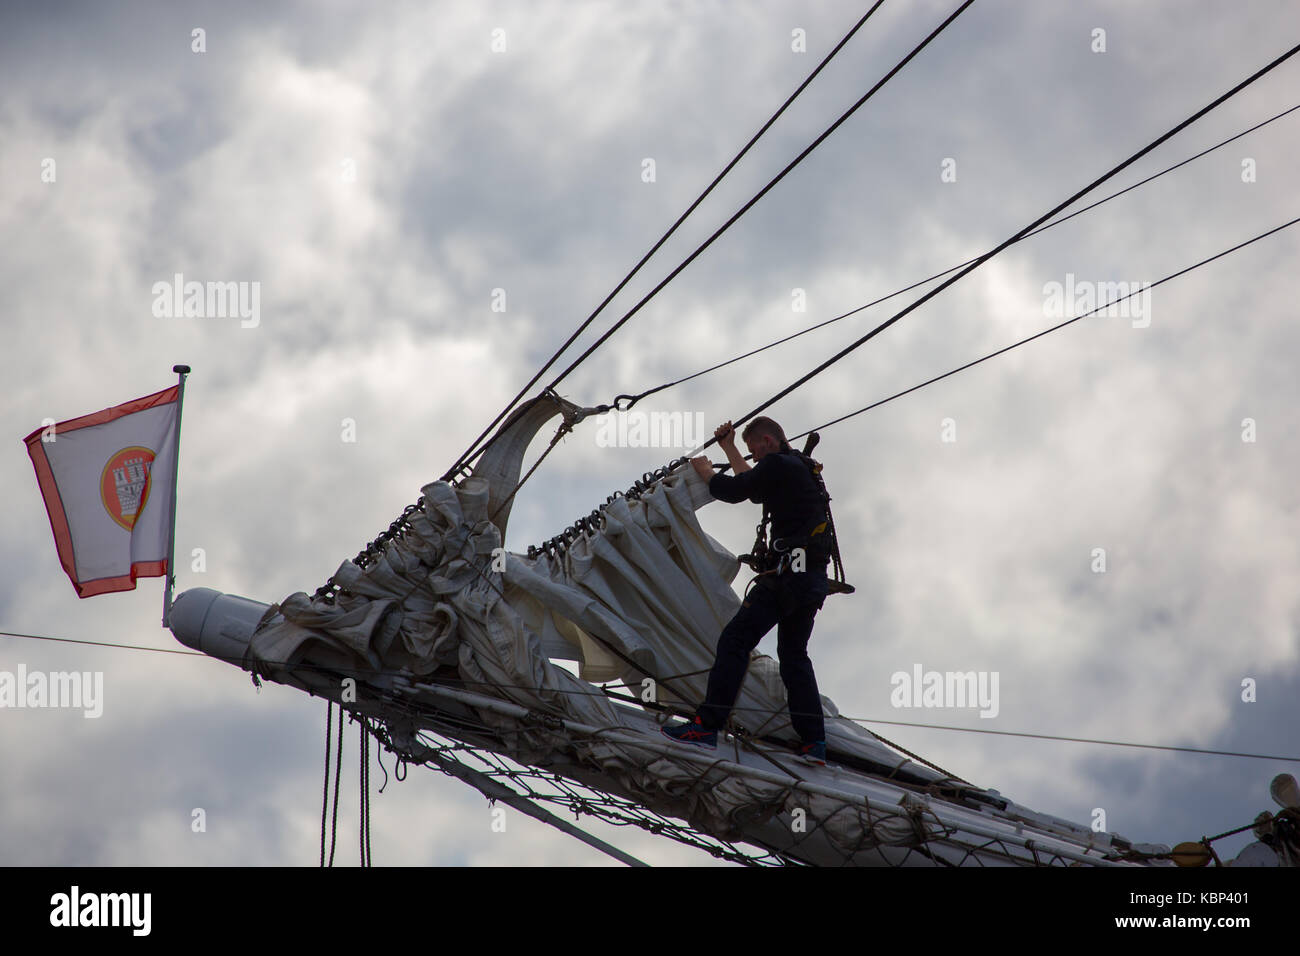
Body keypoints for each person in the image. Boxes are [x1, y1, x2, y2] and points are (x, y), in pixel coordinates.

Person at [662, 416, 831, 765]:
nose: (753, 457)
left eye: (754, 450)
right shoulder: (797, 466)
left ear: (768, 441)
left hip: (787, 577)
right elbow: (755, 487)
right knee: (794, 654)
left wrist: (707, 470)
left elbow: (736, 491)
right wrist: (730, 446)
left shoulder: (778, 463)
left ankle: (706, 727)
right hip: (811, 579)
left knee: (735, 640)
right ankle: (815, 743)